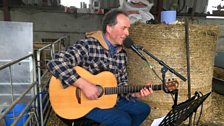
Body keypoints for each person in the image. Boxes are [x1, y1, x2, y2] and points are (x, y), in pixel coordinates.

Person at [47, 8, 153, 126]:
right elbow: (55, 62)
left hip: (108, 99)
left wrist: (134, 94)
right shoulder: (88, 45)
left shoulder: (122, 55)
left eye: (128, 29)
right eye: (124, 28)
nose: (127, 33)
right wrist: (84, 85)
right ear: (109, 28)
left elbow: (121, 86)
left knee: (143, 109)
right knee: (122, 120)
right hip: (83, 103)